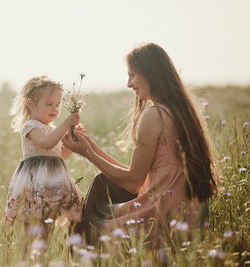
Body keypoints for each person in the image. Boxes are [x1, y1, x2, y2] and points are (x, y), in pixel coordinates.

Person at [63, 43, 218, 248]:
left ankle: (84, 249)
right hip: (189, 212)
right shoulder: (180, 111)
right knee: (103, 184)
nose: (129, 83)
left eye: (132, 75)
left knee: (89, 221)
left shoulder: (155, 115)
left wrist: (89, 154)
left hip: (164, 214)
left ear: (150, 73)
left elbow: (133, 183)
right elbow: (137, 174)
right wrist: (90, 147)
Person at [2, 75, 83, 237]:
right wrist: (66, 124)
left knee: (47, 226)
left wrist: (72, 140)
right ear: (31, 105)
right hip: (36, 184)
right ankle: (30, 256)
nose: (54, 109)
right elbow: (46, 143)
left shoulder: (51, 128)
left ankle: (42, 256)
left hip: (53, 185)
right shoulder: (30, 126)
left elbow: (61, 155)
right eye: (49, 104)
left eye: (57, 105)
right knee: (34, 226)